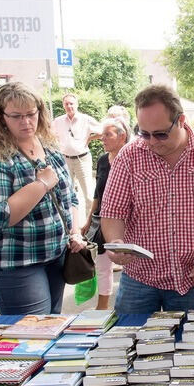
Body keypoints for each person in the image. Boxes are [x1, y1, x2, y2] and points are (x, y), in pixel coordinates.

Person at [100, 84, 194, 312]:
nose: (152, 142)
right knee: (130, 341)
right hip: (139, 278)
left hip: (192, 277)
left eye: (160, 134)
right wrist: (116, 242)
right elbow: (113, 211)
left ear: (181, 120)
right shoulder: (129, 156)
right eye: (144, 133)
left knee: (190, 345)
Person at [0, 82, 85, 315]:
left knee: (52, 326)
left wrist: (74, 232)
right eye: (16, 116)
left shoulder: (48, 147)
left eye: (31, 114)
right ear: (1, 118)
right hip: (13, 262)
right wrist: (41, 185)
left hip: (54, 255)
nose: (26, 122)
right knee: (34, 335)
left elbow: (70, 197)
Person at [81, 117, 130, 310]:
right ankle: (102, 307)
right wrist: (88, 220)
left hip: (125, 222)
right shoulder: (102, 160)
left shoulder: (131, 160)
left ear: (122, 136)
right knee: (102, 265)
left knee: (128, 263)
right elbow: (97, 193)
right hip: (102, 220)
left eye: (107, 135)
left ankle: (124, 303)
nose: (102, 139)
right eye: (102, 136)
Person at [51, 93, 102, 218]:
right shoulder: (58, 121)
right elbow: (50, 136)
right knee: (66, 192)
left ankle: (88, 226)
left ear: (77, 104)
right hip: (65, 159)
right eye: (66, 104)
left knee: (88, 194)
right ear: (63, 105)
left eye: (71, 103)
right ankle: (71, 225)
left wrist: (90, 139)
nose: (69, 106)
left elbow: (102, 131)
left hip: (82, 159)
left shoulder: (85, 119)